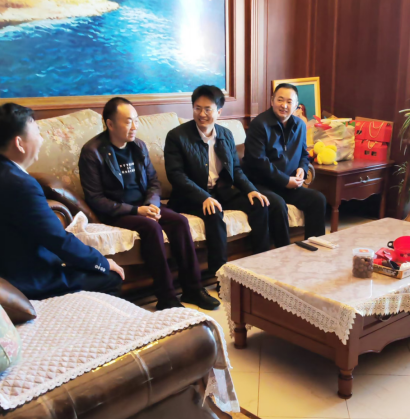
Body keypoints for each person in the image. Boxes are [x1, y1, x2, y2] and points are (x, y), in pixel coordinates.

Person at [0, 103, 125, 299]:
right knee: (111, 277)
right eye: (37, 133)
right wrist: (102, 262)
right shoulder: (21, 184)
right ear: (19, 143)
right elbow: (57, 240)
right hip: (22, 280)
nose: (41, 139)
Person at [79, 98, 219, 310]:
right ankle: (166, 297)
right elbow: (96, 199)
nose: (134, 126)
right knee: (151, 227)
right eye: (128, 121)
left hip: (144, 205)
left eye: (136, 120)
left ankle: (193, 289)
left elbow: (153, 181)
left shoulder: (138, 146)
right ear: (110, 124)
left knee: (180, 222)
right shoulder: (93, 151)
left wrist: (151, 205)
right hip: (117, 210)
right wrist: (137, 210)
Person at [165, 85, 271, 277]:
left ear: (219, 111)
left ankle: (260, 269)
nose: (202, 114)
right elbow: (176, 175)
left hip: (222, 192)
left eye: (208, 109)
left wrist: (250, 190)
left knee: (259, 204)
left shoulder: (225, 134)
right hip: (190, 197)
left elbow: (235, 170)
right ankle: (220, 276)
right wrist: (204, 197)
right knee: (213, 212)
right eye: (197, 108)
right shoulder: (176, 136)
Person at [242, 83, 327, 246]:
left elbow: (304, 154)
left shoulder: (300, 125)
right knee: (277, 204)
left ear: (296, 105)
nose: (284, 105)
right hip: (261, 184)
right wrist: (285, 180)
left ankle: (314, 247)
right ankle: (283, 251)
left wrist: (302, 168)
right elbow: (258, 161)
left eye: (289, 101)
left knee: (318, 199)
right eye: (280, 100)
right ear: (272, 101)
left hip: (288, 184)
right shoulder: (259, 124)